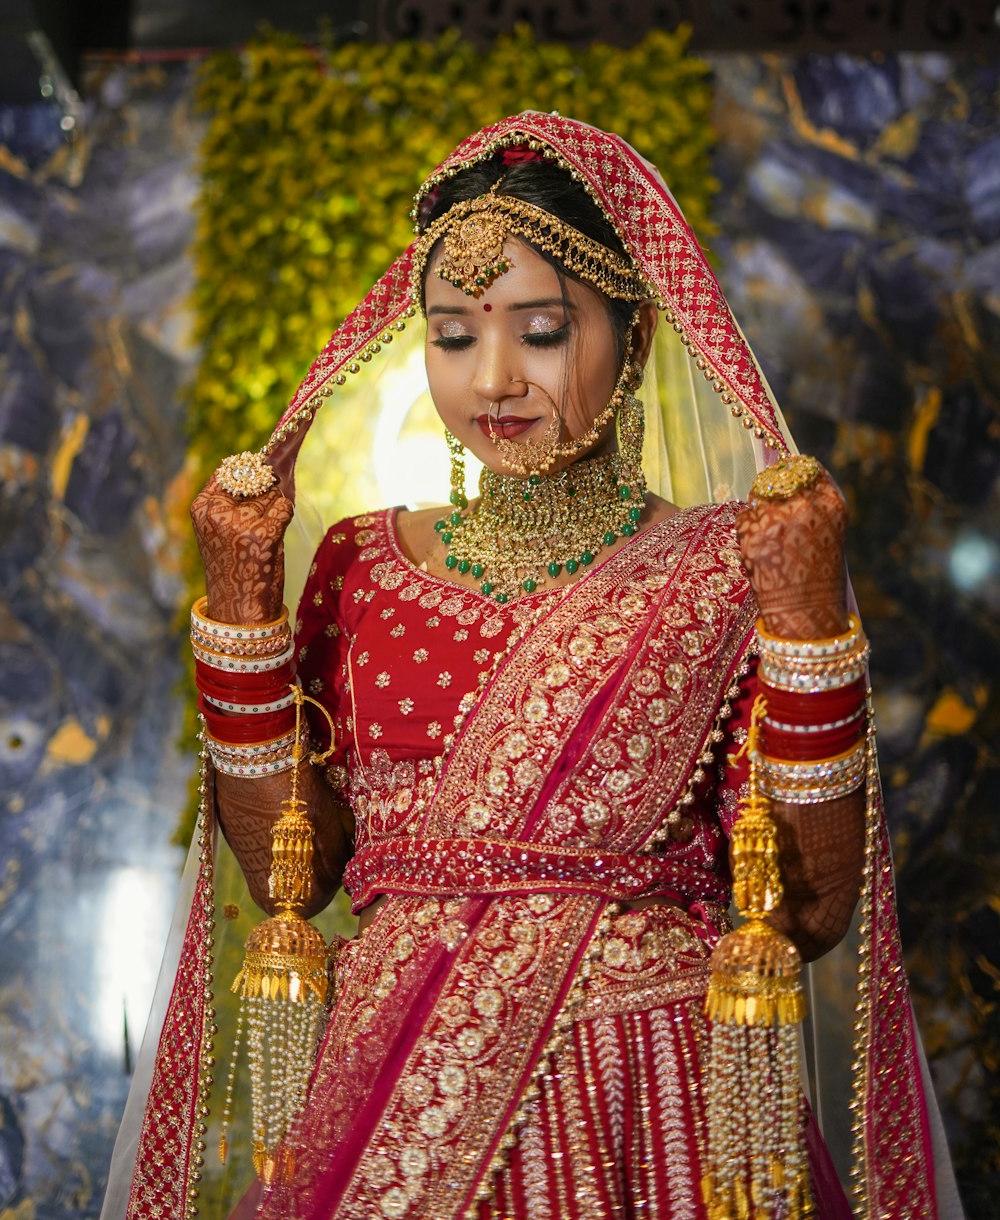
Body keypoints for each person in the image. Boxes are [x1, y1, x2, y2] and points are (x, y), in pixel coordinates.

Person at [109, 113, 951, 1220]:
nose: (492, 379)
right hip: (393, 1083)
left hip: (640, 1095)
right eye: (453, 336)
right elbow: (287, 879)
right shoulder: (363, 563)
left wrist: (800, 624)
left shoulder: (723, 566)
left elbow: (806, 912)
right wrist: (241, 612)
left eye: (541, 329)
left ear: (636, 335)